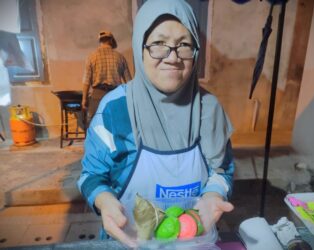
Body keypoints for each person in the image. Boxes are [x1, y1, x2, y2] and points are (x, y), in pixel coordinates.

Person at [77, 0, 235, 247]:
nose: (173, 57)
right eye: (159, 44)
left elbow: (222, 169)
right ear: (140, 47)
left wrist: (215, 193)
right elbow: (91, 175)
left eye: (184, 44)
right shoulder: (115, 110)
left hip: (192, 242)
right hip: (129, 241)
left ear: (195, 52)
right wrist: (105, 200)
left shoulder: (209, 109)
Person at [81, 30, 132, 126]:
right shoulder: (120, 57)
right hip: (116, 94)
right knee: (117, 124)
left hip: (97, 95)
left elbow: (86, 81)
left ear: (100, 41)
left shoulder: (91, 56)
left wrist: (84, 100)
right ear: (111, 40)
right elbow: (129, 82)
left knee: (96, 125)